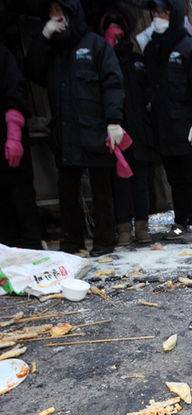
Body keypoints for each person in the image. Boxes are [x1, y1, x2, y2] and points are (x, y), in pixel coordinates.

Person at [26, 0, 125, 256]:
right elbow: (33, 71)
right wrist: (43, 37)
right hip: (65, 131)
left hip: (95, 129)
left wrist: (114, 121)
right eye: (51, 13)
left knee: (101, 188)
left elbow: (113, 82)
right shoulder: (52, 49)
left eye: (59, 12)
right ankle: (73, 241)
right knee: (67, 190)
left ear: (72, 13)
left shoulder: (95, 45)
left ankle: (104, 240)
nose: (56, 17)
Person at [143, 0, 192, 243]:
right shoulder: (153, 48)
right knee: (174, 179)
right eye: (155, 13)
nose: (158, 18)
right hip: (164, 128)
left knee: (189, 178)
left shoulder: (190, 49)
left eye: (163, 13)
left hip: (187, 127)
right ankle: (180, 222)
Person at [101, 9, 157, 247]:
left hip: (140, 130)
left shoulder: (137, 61)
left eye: (118, 28)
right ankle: (123, 226)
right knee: (119, 182)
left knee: (141, 181)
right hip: (115, 130)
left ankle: (142, 225)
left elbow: (150, 91)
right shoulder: (103, 60)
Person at [0, 42, 43, 250]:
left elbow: (16, 90)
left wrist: (14, 133)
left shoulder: (3, 55)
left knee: (21, 198)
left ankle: (32, 250)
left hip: (8, 137)